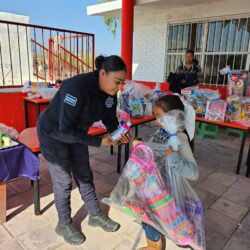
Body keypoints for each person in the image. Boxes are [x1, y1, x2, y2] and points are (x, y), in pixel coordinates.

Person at [37, 55, 131, 245]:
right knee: (63, 181)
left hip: (76, 133)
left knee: (84, 175)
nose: (119, 88)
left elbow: (110, 120)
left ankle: (95, 215)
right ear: (102, 73)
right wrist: (98, 142)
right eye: (117, 82)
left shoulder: (110, 94)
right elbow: (65, 129)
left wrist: (118, 133)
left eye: (122, 83)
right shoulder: (76, 88)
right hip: (53, 133)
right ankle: (63, 224)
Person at [139, 95, 199, 250]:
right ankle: (153, 244)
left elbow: (194, 173)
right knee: (147, 218)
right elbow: (154, 150)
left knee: (156, 219)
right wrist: (141, 146)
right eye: (155, 116)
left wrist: (172, 156)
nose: (156, 121)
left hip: (166, 194)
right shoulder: (161, 132)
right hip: (153, 187)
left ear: (175, 116)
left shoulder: (179, 138)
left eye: (159, 116)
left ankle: (158, 244)